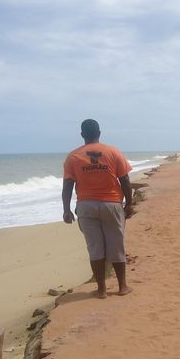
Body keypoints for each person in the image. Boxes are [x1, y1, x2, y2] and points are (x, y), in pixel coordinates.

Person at [62, 119, 133, 298]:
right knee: (116, 246)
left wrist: (66, 209)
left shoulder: (73, 157)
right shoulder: (113, 152)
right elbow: (124, 180)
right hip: (112, 204)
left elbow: (67, 186)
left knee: (95, 248)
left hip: (86, 206)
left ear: (82, 135)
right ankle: (122, 287)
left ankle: (101, 290)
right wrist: (129, 204)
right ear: (99, 133)